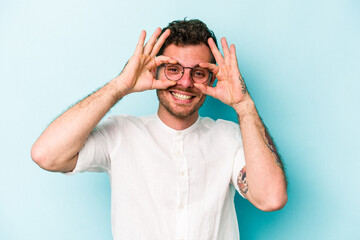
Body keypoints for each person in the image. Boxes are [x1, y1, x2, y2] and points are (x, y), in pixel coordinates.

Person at [31, 19, 287, 240]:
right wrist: (121, 85)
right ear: (156, 70)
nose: (185, 83)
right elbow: (46, 155)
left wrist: (244, 105)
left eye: (198, 73)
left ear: (211, 78)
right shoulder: (120, 133)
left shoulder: (230, 138)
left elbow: (271, 198)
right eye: (174, 70)